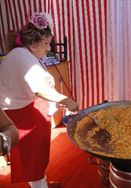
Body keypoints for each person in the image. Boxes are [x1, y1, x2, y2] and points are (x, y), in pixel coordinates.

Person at [0, 12, 79, 188]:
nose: (48, 47)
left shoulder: (24, 54)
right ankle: (40, 185)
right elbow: (40, 88)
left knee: (37, 156)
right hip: (22, 115)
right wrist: (66, 100)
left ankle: (42, 183)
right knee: (33, 158)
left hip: (26, 109)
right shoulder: (22, 56)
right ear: (33, 42)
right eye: (46, 43)